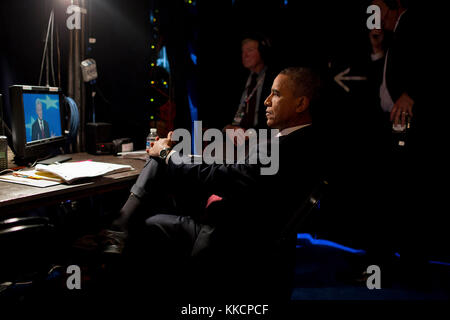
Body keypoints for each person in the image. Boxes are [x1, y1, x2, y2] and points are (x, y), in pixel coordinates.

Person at [101, 67, 322, 302]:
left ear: (300, 104)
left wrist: (167, 153)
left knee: (149, 219)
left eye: (276, 94)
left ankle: (116, 236)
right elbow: (241, 175)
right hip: (243, 228)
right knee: (162, 165)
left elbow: (225, 178)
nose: (267, 101)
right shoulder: (302, 141)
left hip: (229, 239)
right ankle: (117, 230)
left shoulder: (284, 149)